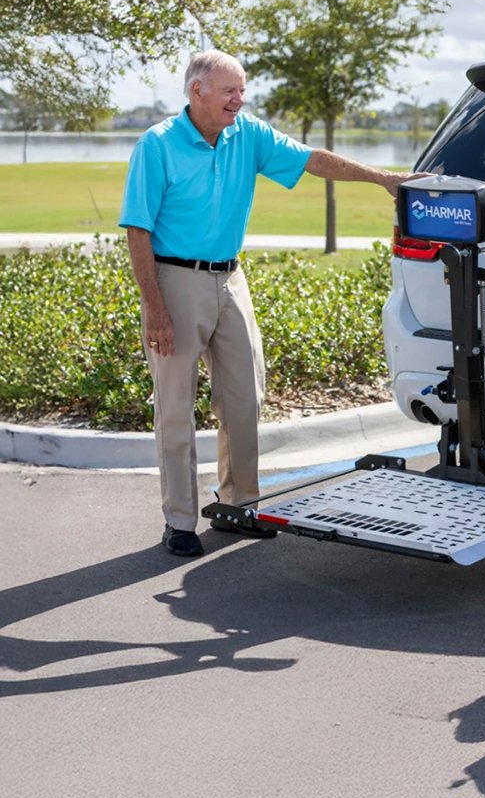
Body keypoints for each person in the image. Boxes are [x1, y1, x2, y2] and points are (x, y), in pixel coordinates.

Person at [119, 50, 408, 557]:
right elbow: (138, 230)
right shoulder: (158, 145)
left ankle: (238, 506)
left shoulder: (246, 133)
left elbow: (312, 159)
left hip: (230, 278)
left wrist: (382, 178)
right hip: (174, 279)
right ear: (197, 92)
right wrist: (155, 308)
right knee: (175, 408)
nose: (240, 98)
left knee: (244, 398)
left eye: (242, 89)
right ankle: (180, 521)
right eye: (230, 90)